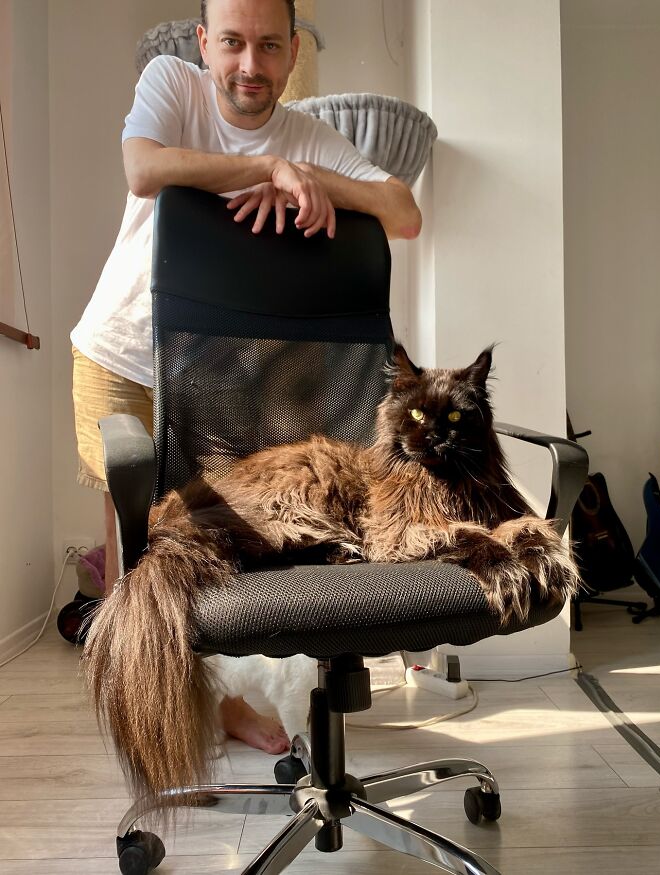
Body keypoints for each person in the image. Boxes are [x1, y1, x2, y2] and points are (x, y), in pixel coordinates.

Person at [71, 0, 422, 755]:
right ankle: (154, 728)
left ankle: (219, 698)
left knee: (214, 549)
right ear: (204, 44)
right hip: (123, 355)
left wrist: (308, 180)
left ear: (293, 51)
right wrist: (267, 167)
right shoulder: (173, 84)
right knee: (137, 564)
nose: (250, 67)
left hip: (217, 370)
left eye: (268, 47)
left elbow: (403, 210)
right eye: (231, 44)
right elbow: (145, 168)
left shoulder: (307, 134)